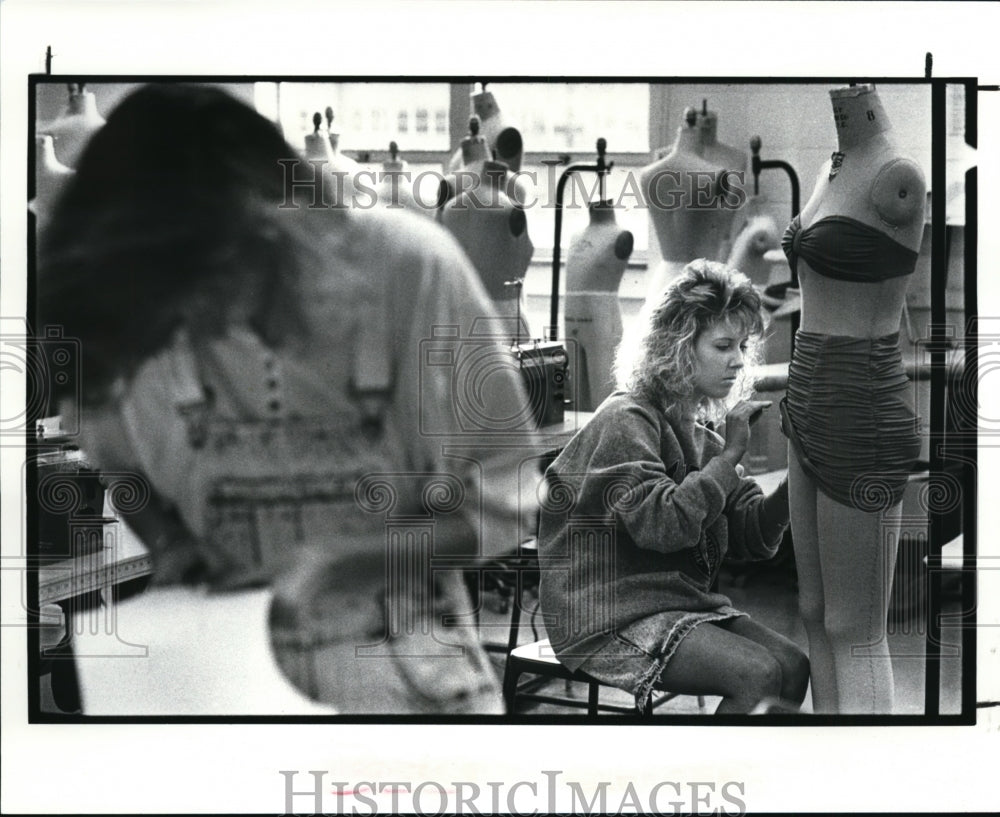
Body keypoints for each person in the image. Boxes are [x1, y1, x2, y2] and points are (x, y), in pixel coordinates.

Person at [36, 82, 540, 715]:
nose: (201, 318)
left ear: (270, 226)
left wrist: (345, 566)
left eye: (213, 284)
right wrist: (169, 545)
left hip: (408, 672)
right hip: (224, 676)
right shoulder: (137, 299)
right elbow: (113, 454)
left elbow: (509, 496)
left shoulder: (407, 267)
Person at [537, 259, 809, 714]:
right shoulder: (627, 420)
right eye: (723, 345)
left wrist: (797, 471)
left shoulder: (700, 434)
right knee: (757, 674)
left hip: (673, 602)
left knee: (793, 666)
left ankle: (747, 776)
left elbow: (753, 538)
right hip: (605, 611)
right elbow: (662, 527)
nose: (739, 360)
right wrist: (728, 459)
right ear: (679, 347)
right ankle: (713, 780)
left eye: (742, 345)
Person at [780, 84, 926, 714]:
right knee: (813, 612)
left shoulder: (897, 174)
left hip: (861, 408)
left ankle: (870, 783)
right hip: (804, 401)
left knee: (855, 627)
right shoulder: (828, 168)